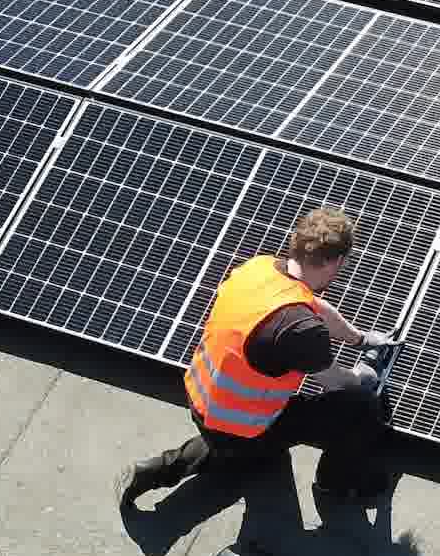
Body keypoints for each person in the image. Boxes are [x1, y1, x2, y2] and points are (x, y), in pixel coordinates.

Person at [118, 206, 396, 509]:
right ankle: (335, 485)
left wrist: (359, 339)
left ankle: (154, 470)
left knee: (232, 446)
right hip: (240, 424)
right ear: (337, 262)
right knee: (361, 407)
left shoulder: (260, 269)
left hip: (204, 398)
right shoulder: (300, 329)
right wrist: (365, 375)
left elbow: (315, 305)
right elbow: (337, 382)